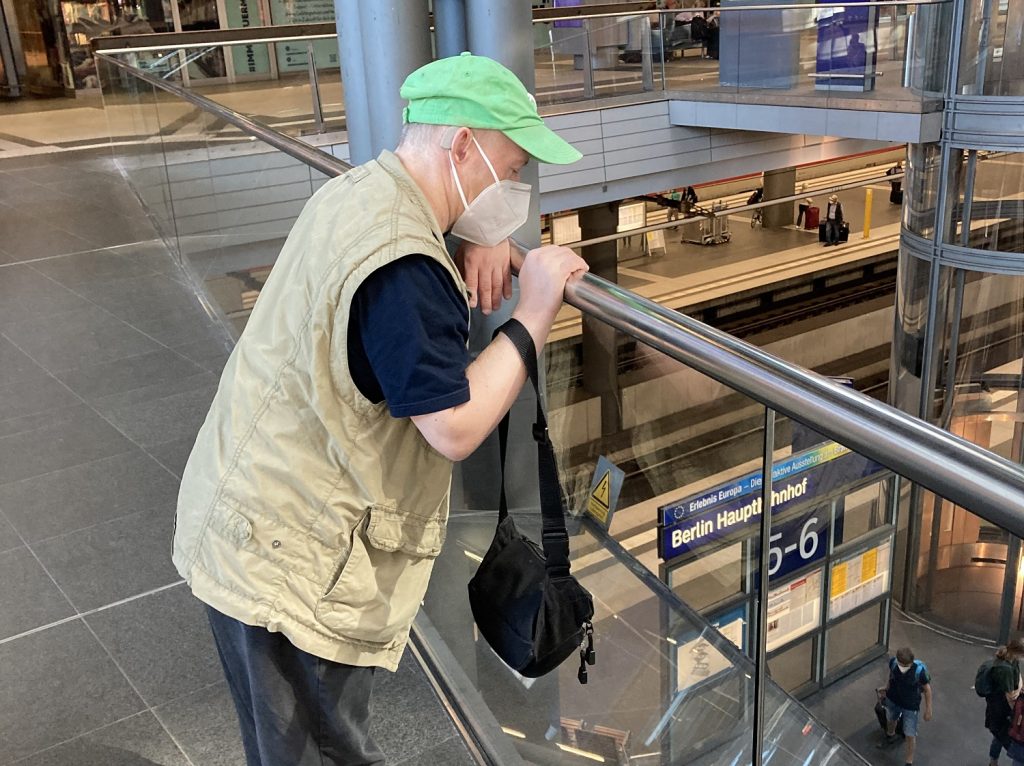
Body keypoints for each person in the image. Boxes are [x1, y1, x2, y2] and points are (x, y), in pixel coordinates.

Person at [171, 52, 588, 766]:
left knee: (308, 742)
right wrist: (537, 311)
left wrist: (475, 232)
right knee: (314, 749)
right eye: (512, 165)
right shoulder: (406, 269)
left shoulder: (361, 191)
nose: (515, 186)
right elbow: (453, 427)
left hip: (252, 514)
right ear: (462, 144)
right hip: (289, 564)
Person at [877, 646, 932, 766]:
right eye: (901, 664)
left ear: (911, 663)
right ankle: (890, 736)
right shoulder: (893, 663)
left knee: (910, 734)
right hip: (894, 699)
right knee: (891, 719)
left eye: (906, 666)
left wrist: (928, 709)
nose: (903, 668)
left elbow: (927, 690)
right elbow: (892, 676)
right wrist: (886, 688)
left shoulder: (919, 672)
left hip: (910, 705)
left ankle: (909, 761)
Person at [985, 639, 1024, 766]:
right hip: (1001, 710)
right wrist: (1017, 709)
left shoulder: (1011, 661)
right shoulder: (1006, 669)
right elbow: (1010, 695)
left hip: (997, 708)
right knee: (1002, 737)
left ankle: (993, 761)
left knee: (998, 737)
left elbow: (1017, 679)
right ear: (1018, 652)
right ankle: (993, 761)